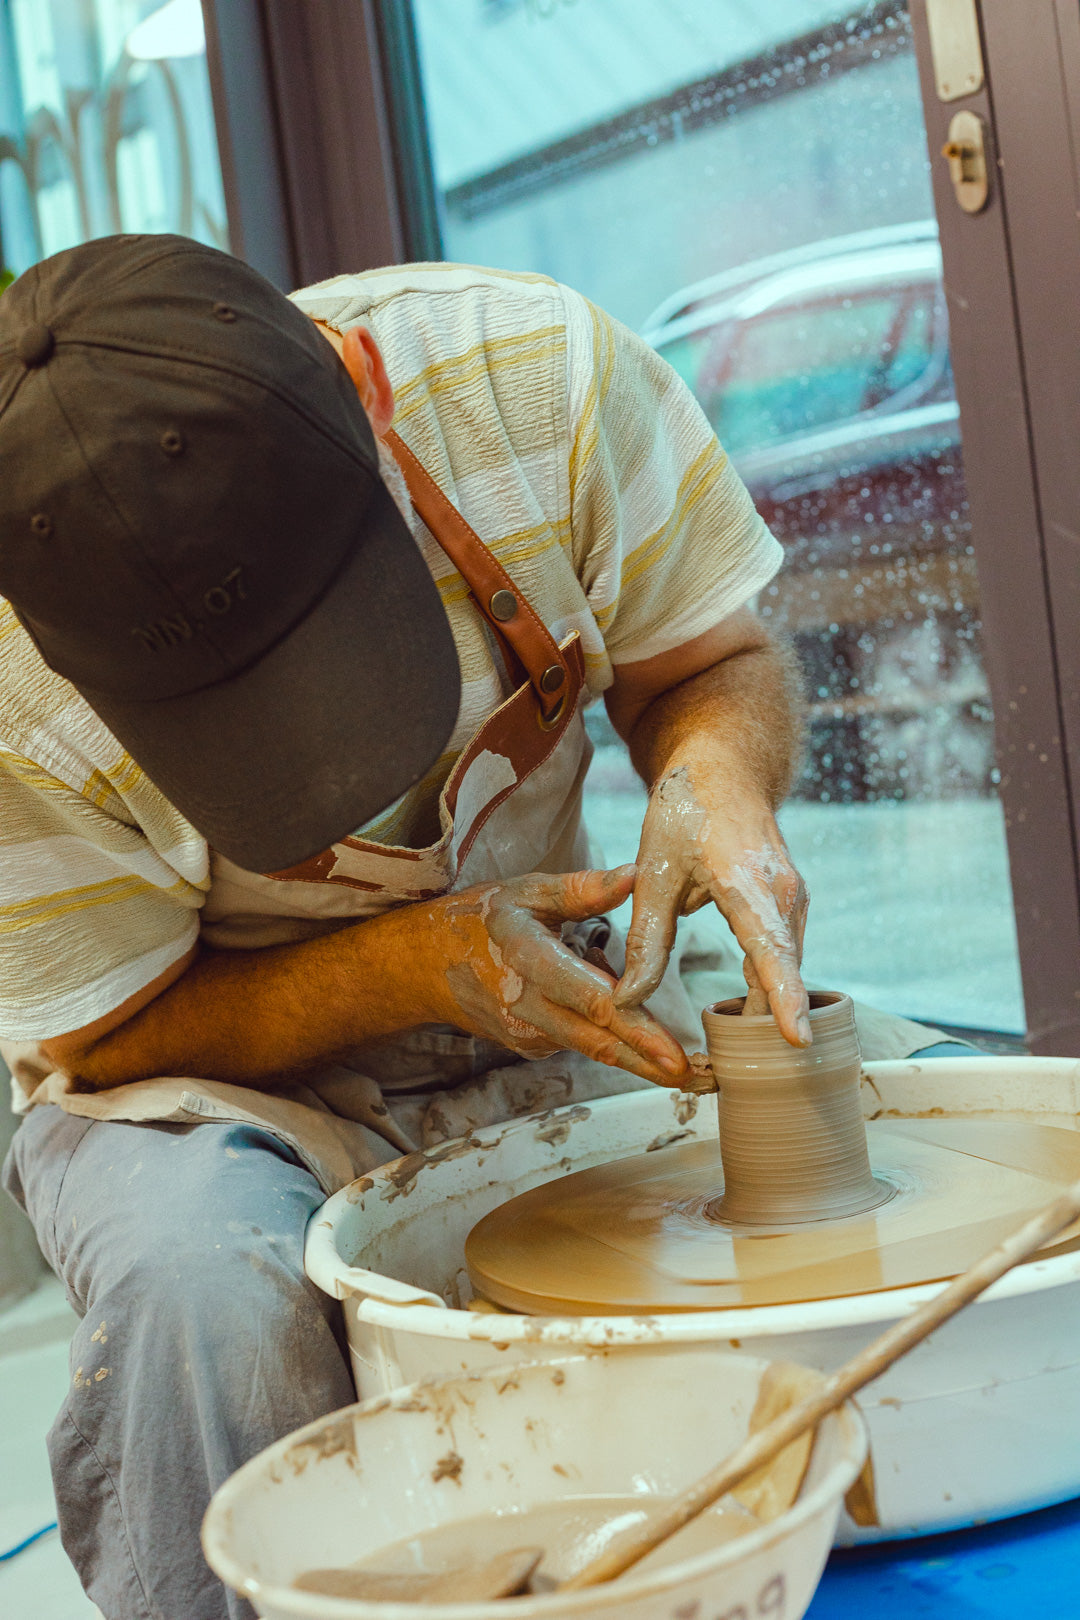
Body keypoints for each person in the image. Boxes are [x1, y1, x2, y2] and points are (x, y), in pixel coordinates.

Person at [0, 236, 954, 1620]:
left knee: (915, 1136)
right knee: (210, 1298)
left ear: (369, 394)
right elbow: (103, 1033)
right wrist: (416, 965)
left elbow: (713, 666)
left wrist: (714, 782)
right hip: (200, 1073)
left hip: (552, 973)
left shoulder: (534, 380)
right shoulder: (16, 686)